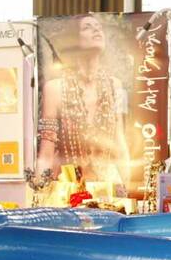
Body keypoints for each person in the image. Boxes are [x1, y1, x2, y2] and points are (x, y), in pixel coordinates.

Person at [35, 14, 129, 185]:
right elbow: (46, 153)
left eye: (98, 26)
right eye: (87, 27)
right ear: (74, 40)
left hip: (109, 187)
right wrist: (39, 192)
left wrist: (129, 191)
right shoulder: (55, 89)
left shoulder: (115, 85)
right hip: (69, 185)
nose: (96, 29)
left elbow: (120, 142)